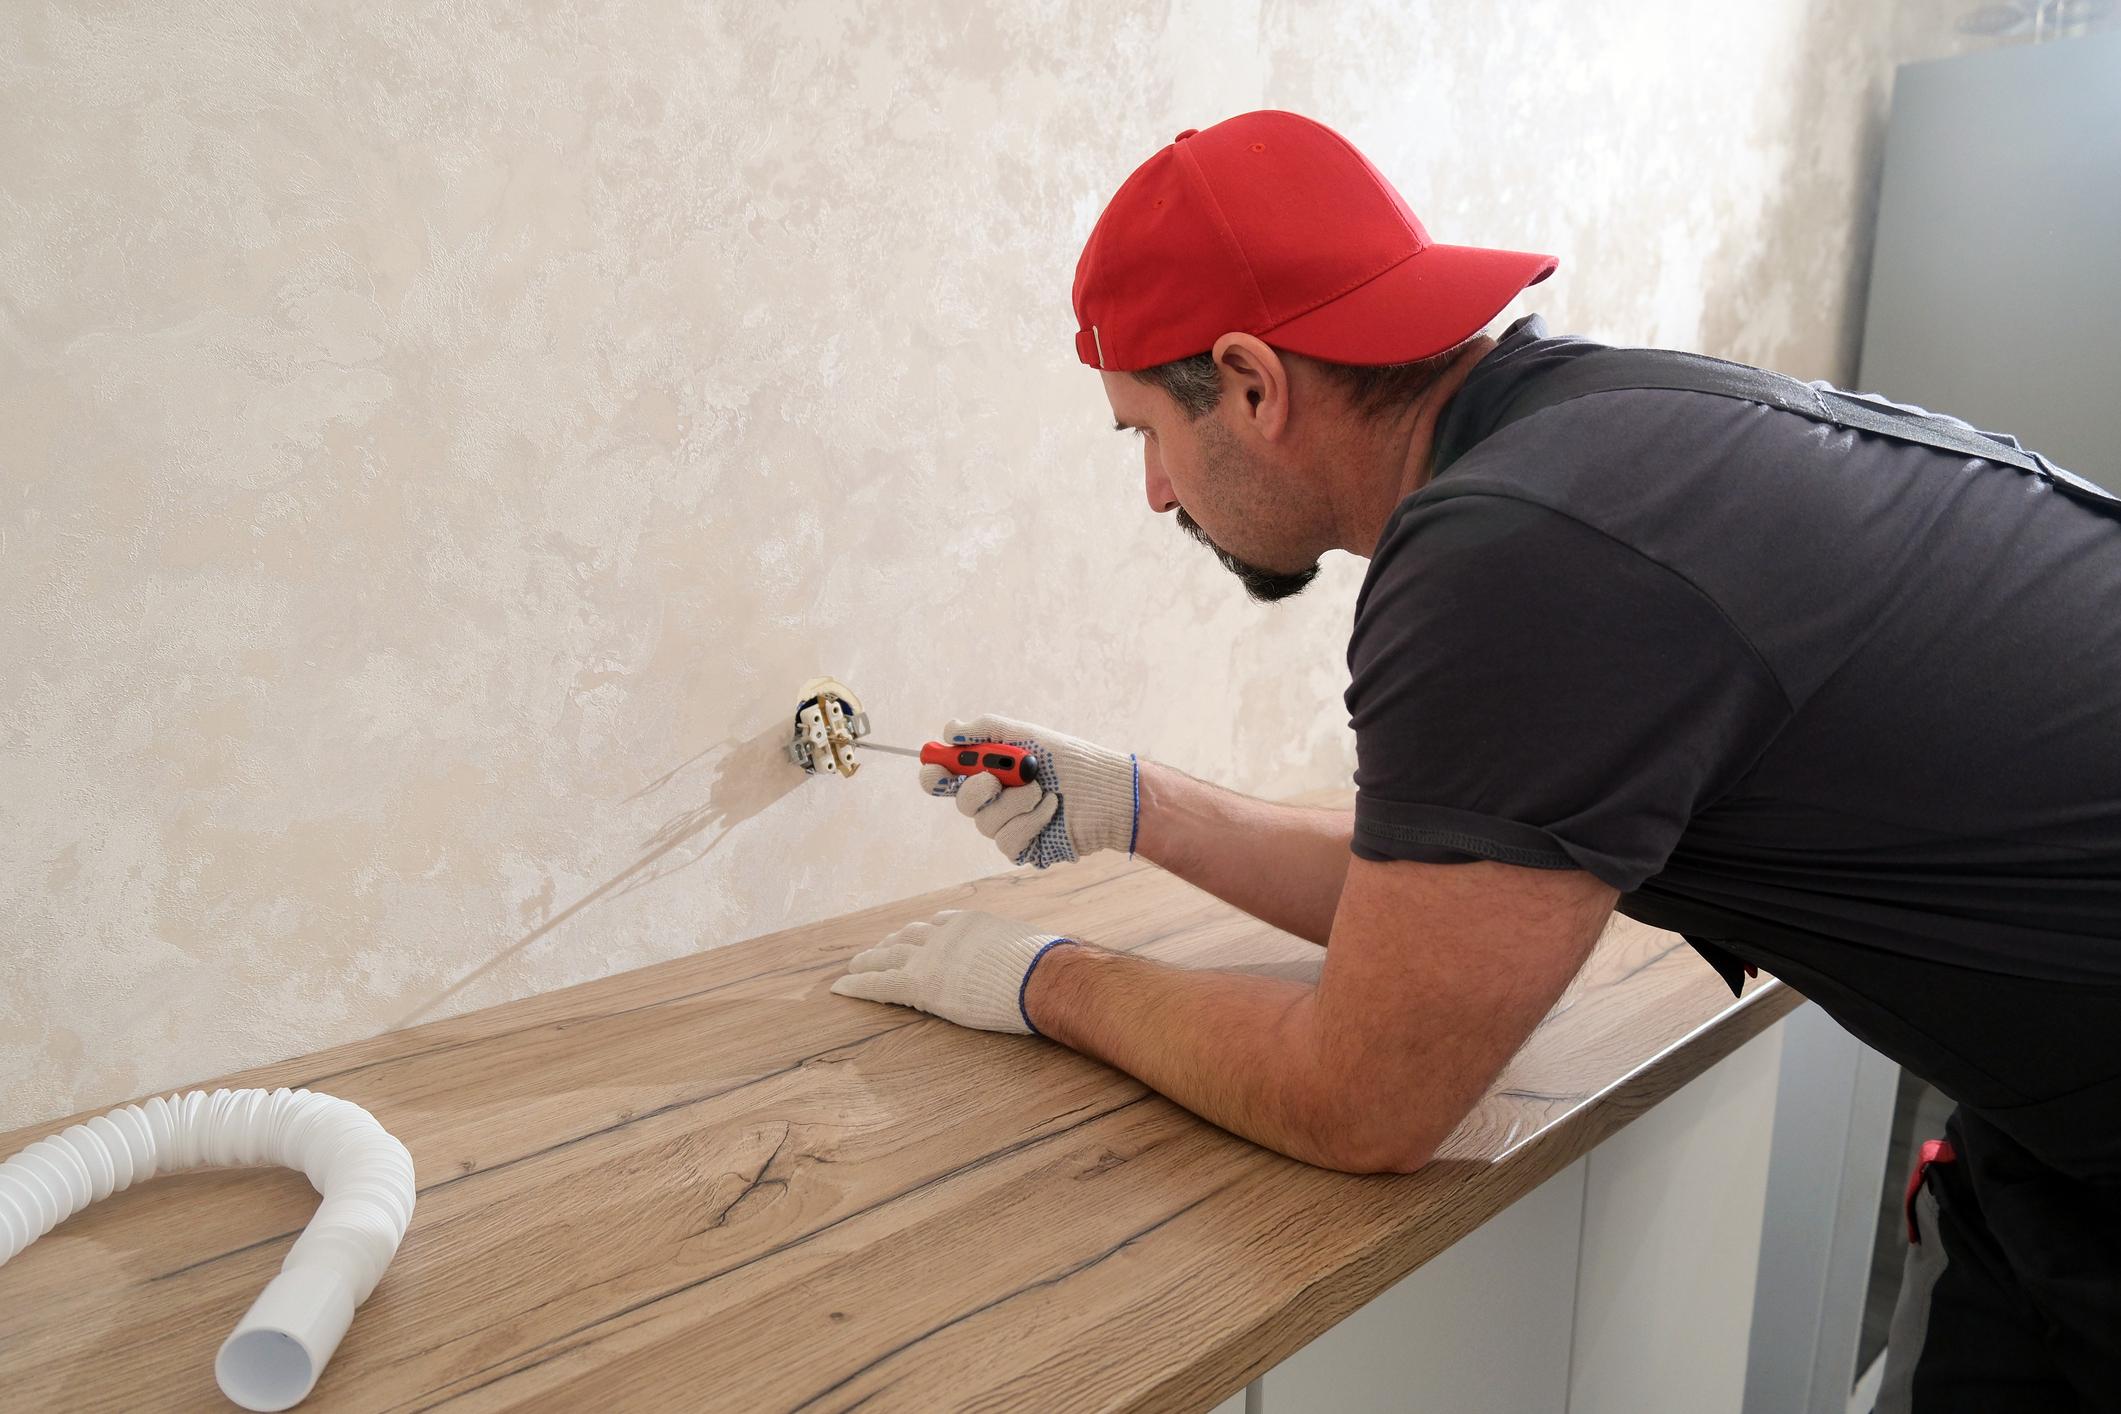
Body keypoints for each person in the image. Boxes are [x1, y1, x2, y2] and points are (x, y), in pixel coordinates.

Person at [829, 110, 2121, 1409]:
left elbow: (1367, 1097)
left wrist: (1047, 978)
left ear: (1250, 382)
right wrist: (1136, 805)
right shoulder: (1584, 437)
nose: (1157, 494)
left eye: (1144, 436)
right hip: (2049, 1132)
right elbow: (1438, 902)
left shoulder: (1512, 552)